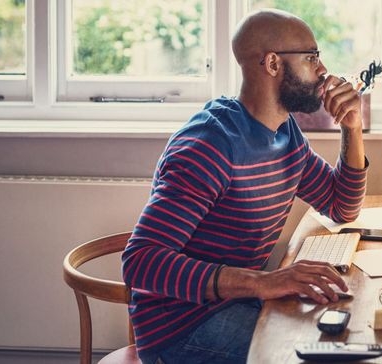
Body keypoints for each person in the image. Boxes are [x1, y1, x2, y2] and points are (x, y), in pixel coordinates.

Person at [121, 9, 368, 363]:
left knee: (343, 334)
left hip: (236, 304)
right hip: (183, 329)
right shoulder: (210, 145)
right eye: (312, 57)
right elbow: (140, 262)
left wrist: (352, 126)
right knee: (314, 354)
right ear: (272, 64)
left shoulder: (285, 132)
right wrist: (263, 282)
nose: (323, 70)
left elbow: (341, 206)